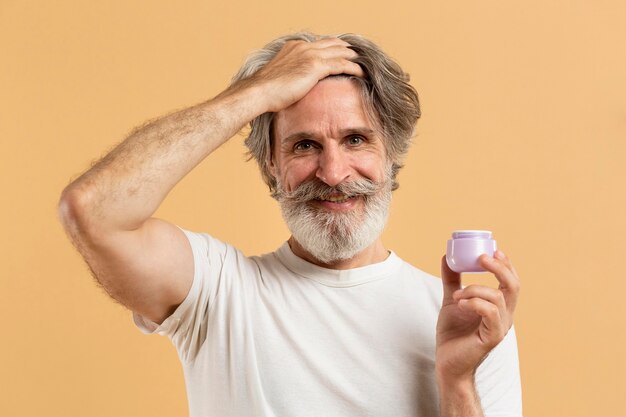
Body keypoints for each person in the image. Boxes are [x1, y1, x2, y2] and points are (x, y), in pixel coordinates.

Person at [59, 32, 522, 417]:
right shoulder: (219, 291)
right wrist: (256, 93)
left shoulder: (467, 321)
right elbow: (94, 210)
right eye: (303, 146)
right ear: (270, 165)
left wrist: (457, 381)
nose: (334, 172)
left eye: (356, 139)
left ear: (391, 155)